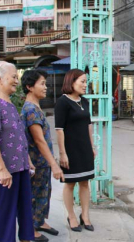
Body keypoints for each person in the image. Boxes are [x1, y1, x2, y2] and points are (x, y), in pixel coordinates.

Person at [0, 61, 47, 242]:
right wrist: (2, 169)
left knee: (24, 205)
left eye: (17, 77)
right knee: (4, 207)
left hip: (20, 166)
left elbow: (17, 136)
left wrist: (27, 160)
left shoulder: (9, 103)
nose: (17, 80)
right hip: (4, 169)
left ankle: (25, 240)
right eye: (13, 77)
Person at [20, 69, 64, 242]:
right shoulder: (30, 109)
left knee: (44, 192)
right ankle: (31, 228)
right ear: (30, 87)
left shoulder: (36, 107)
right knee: (35, 194)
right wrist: (54, 164)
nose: (46, 87)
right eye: (42, 83)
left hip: (42, 161)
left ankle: (40, 221)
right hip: (37, 162)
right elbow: (39, 140)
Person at [55, 69, 95, 232]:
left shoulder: (84, 101)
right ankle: (71, 216)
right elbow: (59, 129)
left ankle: (85, 216)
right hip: (70, 150)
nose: (85, 85)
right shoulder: (62, 102)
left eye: (86, 82)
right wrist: (63, 153)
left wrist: (92, 147)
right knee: (70, 184)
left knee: (85, 183)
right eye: (82, 82)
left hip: (84, 148)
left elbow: (88, 125)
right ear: (71, 82)